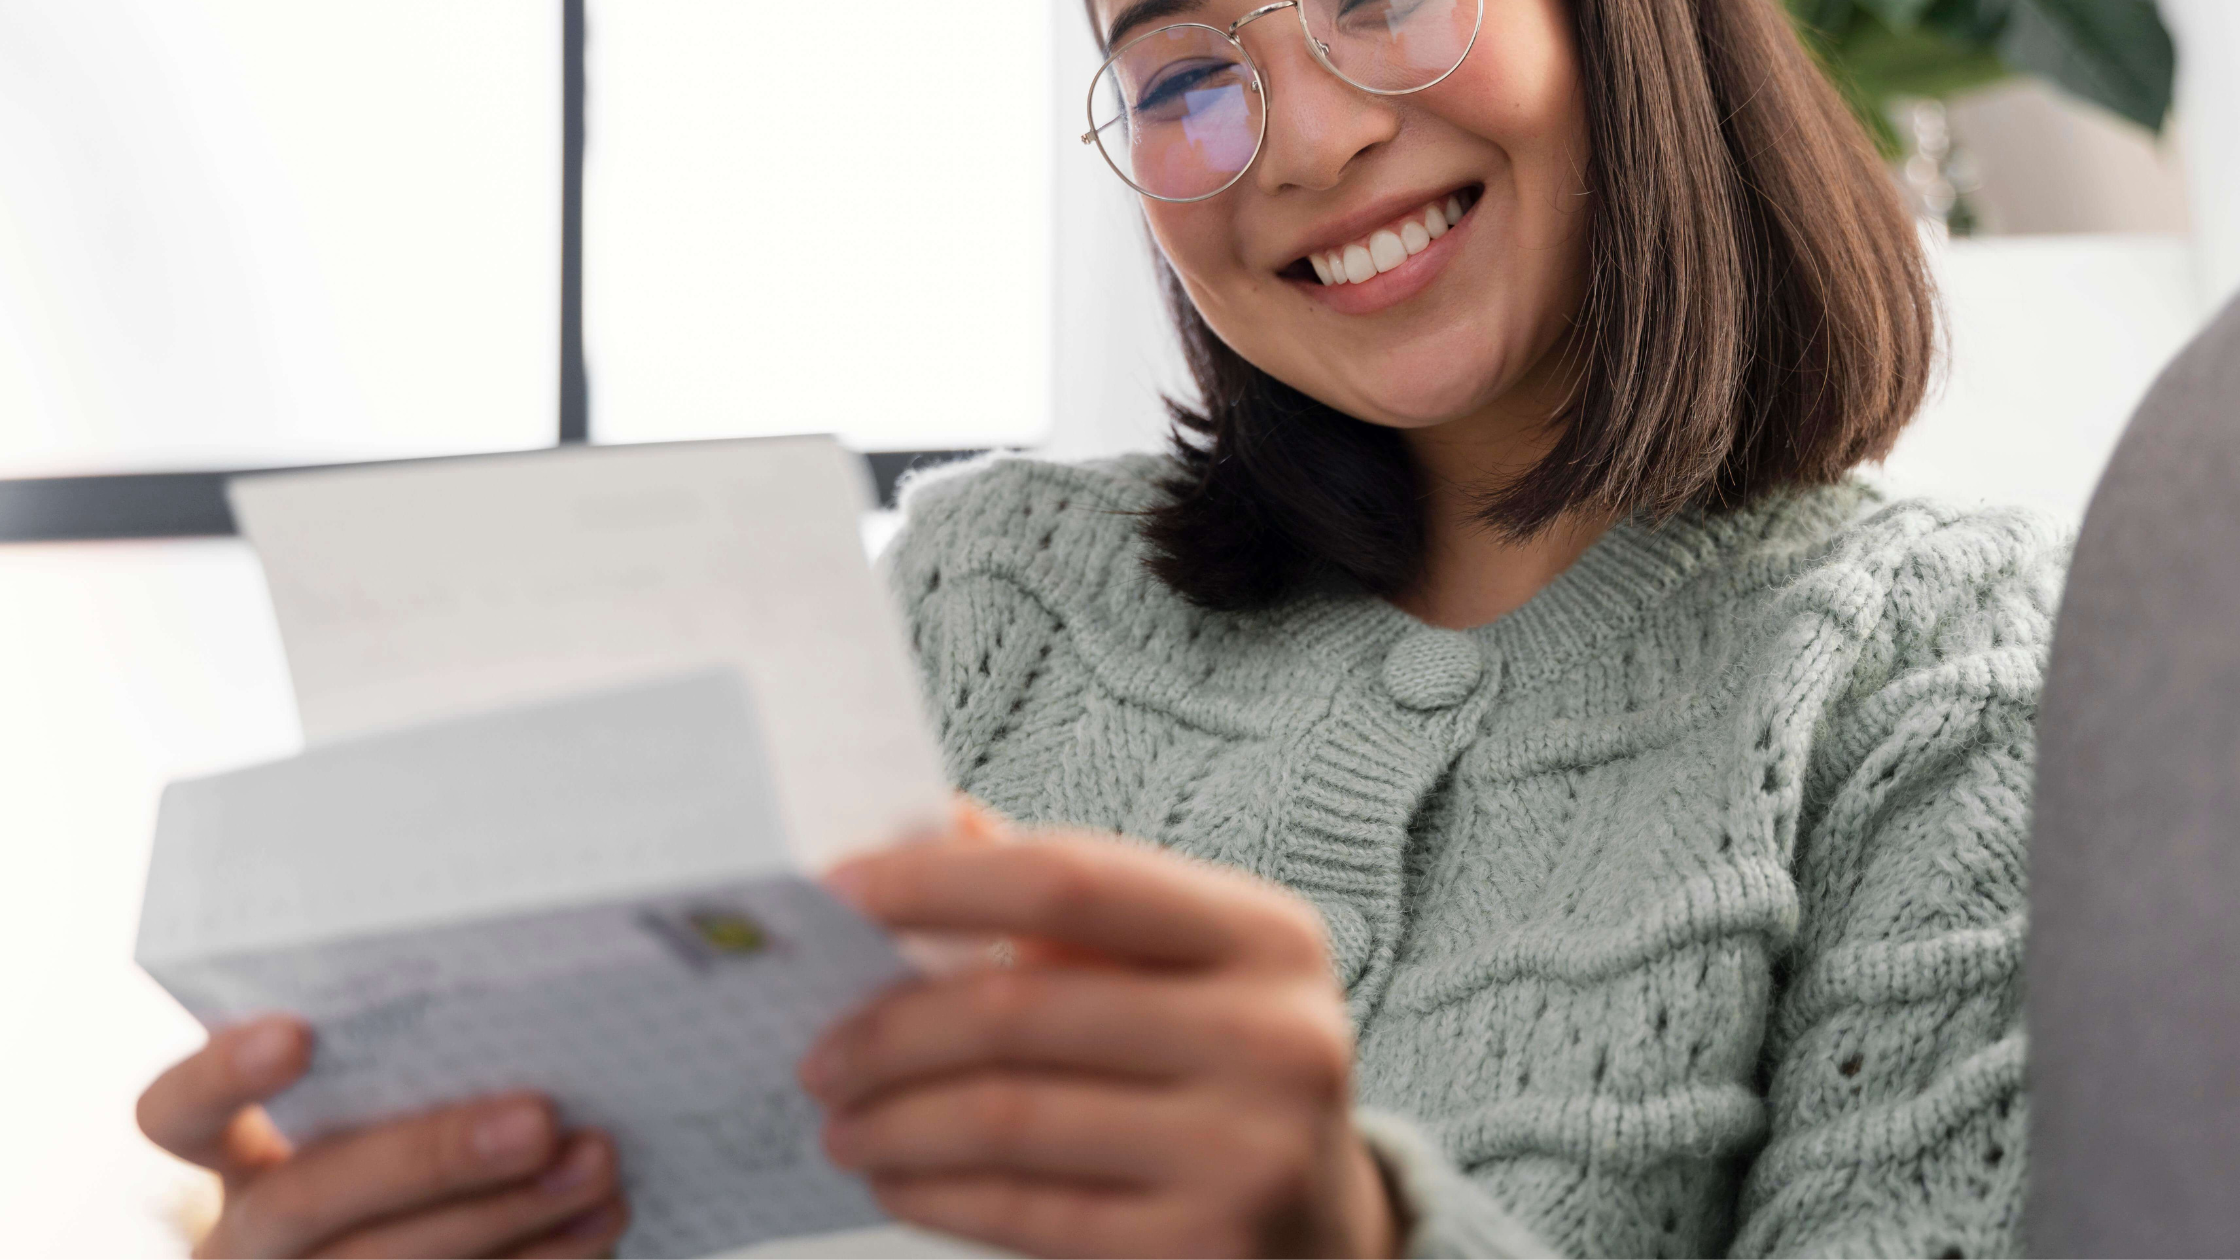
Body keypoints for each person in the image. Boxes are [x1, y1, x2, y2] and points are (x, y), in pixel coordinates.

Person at [137, 0, 2060, 1254]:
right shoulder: (994, 600)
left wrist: (1357, 1240)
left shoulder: (1938, 679)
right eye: (1186, 77)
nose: (1301, 141)